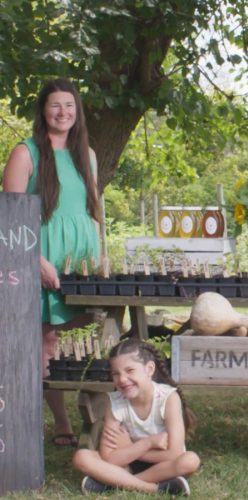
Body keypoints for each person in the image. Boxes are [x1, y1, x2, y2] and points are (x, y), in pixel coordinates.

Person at [2, 78, 101, 447]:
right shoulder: (25, 153)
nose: (63, 112)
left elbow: (92, 211)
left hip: (81, 261)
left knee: (91, 336)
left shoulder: (86, 154)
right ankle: (61, 424)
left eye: (70, 105)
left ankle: (99, 417)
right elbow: (9, 219)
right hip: (42, 259)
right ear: (43, 110)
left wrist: (100, 259)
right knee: (48, 340)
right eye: (55, 105)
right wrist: (37, 262)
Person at [72, 338, 200, 495]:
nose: (122, 379)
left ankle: (114, 483)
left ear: (149, 369)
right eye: (116, 374)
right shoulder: (115, 402)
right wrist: (147, 443)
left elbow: (174, 454)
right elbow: (109, 458)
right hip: (126, 463)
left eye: (130, 371)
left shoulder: (168, 398)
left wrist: (130, 448)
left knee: (190, 460)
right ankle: (154, 489)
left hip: (162, 465)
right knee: (81, 457)